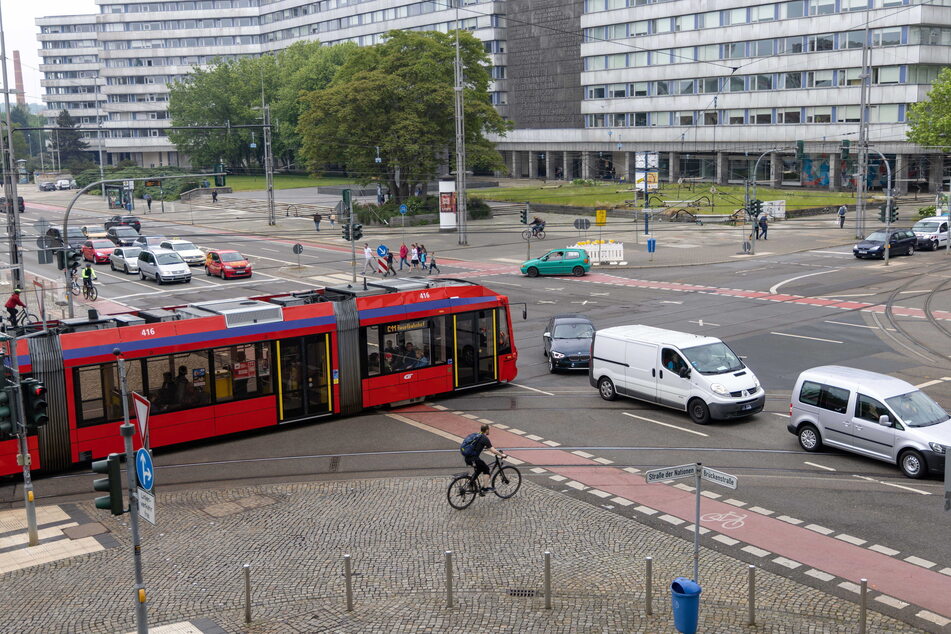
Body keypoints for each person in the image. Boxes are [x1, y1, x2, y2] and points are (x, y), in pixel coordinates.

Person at [460, 424, 507, 495]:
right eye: (489, 430)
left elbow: (477, 445)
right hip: (473, 459)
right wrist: (502, 455)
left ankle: (471, 483)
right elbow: (493, 450)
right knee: (486, 469)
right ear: (487, 430)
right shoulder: (484, 438)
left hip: (467, 458)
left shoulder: (476, 435)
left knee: (479, 469)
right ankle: (485, 488)